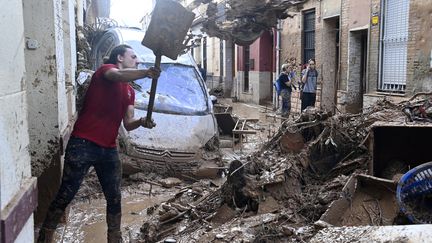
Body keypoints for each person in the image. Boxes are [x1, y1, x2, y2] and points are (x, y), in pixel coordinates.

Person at [37, 44, 161, 243]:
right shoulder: (105, 71)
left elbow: (128, 124)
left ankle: (114, 238)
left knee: (114, 197)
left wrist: (142, 122)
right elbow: (117, 76)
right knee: (66, 193)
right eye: (133, 56)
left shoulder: (130, 92)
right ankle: (45, 237)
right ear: (119, 58)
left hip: (109, 149)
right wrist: (145, 73)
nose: (137, 60)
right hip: (83, 143)